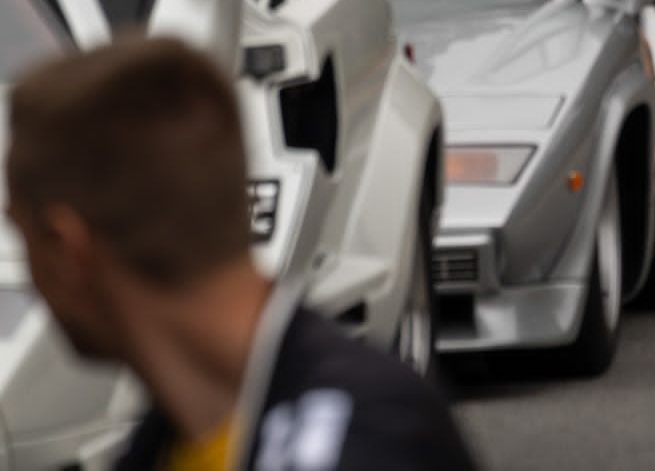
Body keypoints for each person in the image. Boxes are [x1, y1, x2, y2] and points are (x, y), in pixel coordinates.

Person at [5, 38, 480, 471]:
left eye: (21, 236)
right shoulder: (179, 436)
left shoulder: (365, 439)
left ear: (69, 251)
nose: (29, 281)